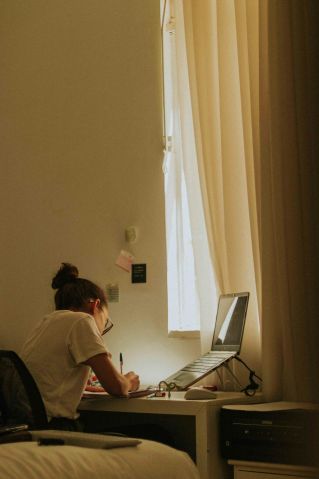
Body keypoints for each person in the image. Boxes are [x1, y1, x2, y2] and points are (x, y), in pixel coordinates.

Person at [20, 262, 140, 431]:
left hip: (30, 426)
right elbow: (117, 387)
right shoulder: (82, 320)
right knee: (158, 433)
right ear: (95, 306)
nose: (101, 330)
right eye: (105, 322)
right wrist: (129, 381)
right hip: (56, 428)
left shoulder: (44, 323)